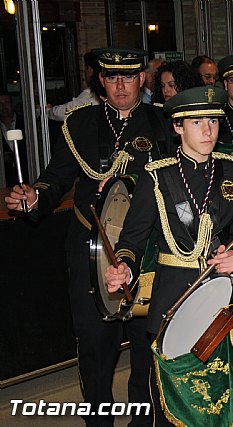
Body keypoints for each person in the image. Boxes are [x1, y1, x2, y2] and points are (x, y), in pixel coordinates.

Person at [4, 46, 172, 427]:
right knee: (95, 346)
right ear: (100, 81)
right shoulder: (79, 123)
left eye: (128, 77)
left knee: (147, 345)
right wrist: (36, 195)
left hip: (144, 250)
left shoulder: (163, 123)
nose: (120, 86)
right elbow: (57, 177)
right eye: (111, 77)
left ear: (141, 79)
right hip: (88, 247)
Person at [104, 84, 233, 425]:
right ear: (177, 127)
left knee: (220, 395)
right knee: (175, 402)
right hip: (173, 298)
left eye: (213, 122)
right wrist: (124, 268)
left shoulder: (231, 170)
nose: (208, 131)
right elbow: (131, 239)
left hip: (221, 298)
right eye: (197, 122)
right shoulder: (157, 176)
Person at [47, 52, 102, 121]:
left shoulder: (91, 95)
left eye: (85, 69)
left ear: (90, 70)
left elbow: (63, 113)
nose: (83, 73)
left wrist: (48, 110)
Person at [0, 92, 28, 187]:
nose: (4, 106)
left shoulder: (26, 123)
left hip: (28, 178)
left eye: (6, 102)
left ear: (12, 104)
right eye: (0, 104)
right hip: (4, 182)